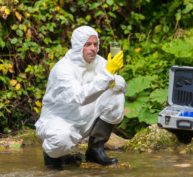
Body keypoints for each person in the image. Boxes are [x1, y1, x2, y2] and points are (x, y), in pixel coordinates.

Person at [35, 25, 126, 169]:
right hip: (61, 119)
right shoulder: (63, 69)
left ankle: (95, 149)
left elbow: (121, 84)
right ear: (78, 46)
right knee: (60, 140)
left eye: (95, 44)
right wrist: (108, 75)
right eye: (88, 44)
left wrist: (113, 76)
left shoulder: (99, 62)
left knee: (116, 94)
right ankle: (52, 156)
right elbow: (78, 97)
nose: (93, 48)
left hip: (84, 116)